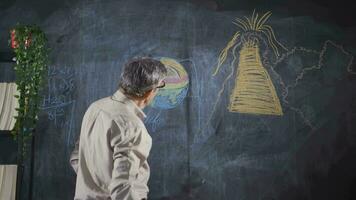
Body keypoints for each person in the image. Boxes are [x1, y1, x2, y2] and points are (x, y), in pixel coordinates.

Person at [69, 57, 167, 200]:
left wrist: (97, 184)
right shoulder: (131, 126)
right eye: (160, 86)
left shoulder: (95, 107)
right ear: (149, 92)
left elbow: (76, 158)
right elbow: (122, 189)